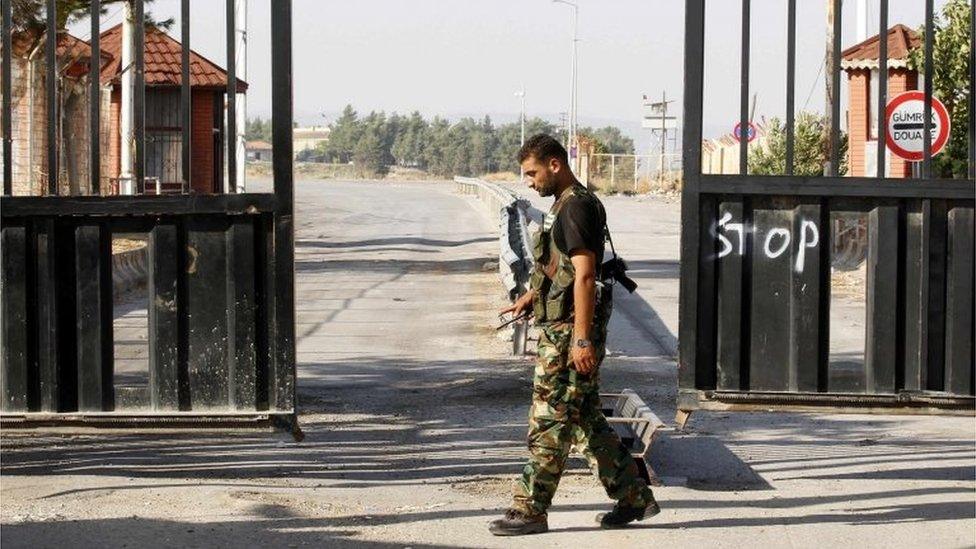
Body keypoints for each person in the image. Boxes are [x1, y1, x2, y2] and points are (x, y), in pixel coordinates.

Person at [489, 134, 659, 536]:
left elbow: (585, 275)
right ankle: (633, 496)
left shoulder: (576, 207)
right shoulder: (565, 205)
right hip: (563, 327)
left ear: (555, 164)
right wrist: (532, 296)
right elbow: (561, 268)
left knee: (549, 421)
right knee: (583, 420)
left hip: (568, 335)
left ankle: (530, 508)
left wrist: (581, 339)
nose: (529, 182)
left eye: (532, 172)